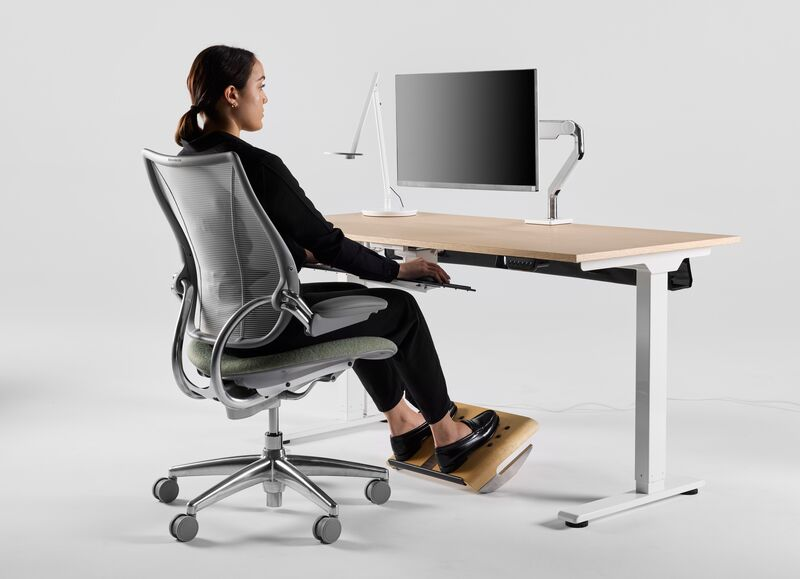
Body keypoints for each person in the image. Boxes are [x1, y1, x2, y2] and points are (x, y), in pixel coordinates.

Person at [174, 45, 498, 473]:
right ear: (232, 95)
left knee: (357, 302)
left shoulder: (189, 161)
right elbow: (329, 242)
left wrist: (291, 251)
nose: (266, 97)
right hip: (269, 331)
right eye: (261, 85)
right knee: (399, 308)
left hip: (220, 326)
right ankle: (447, 432)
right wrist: (399, 270)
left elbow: (229, 243)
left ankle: (403, 425)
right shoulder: (258, 165)